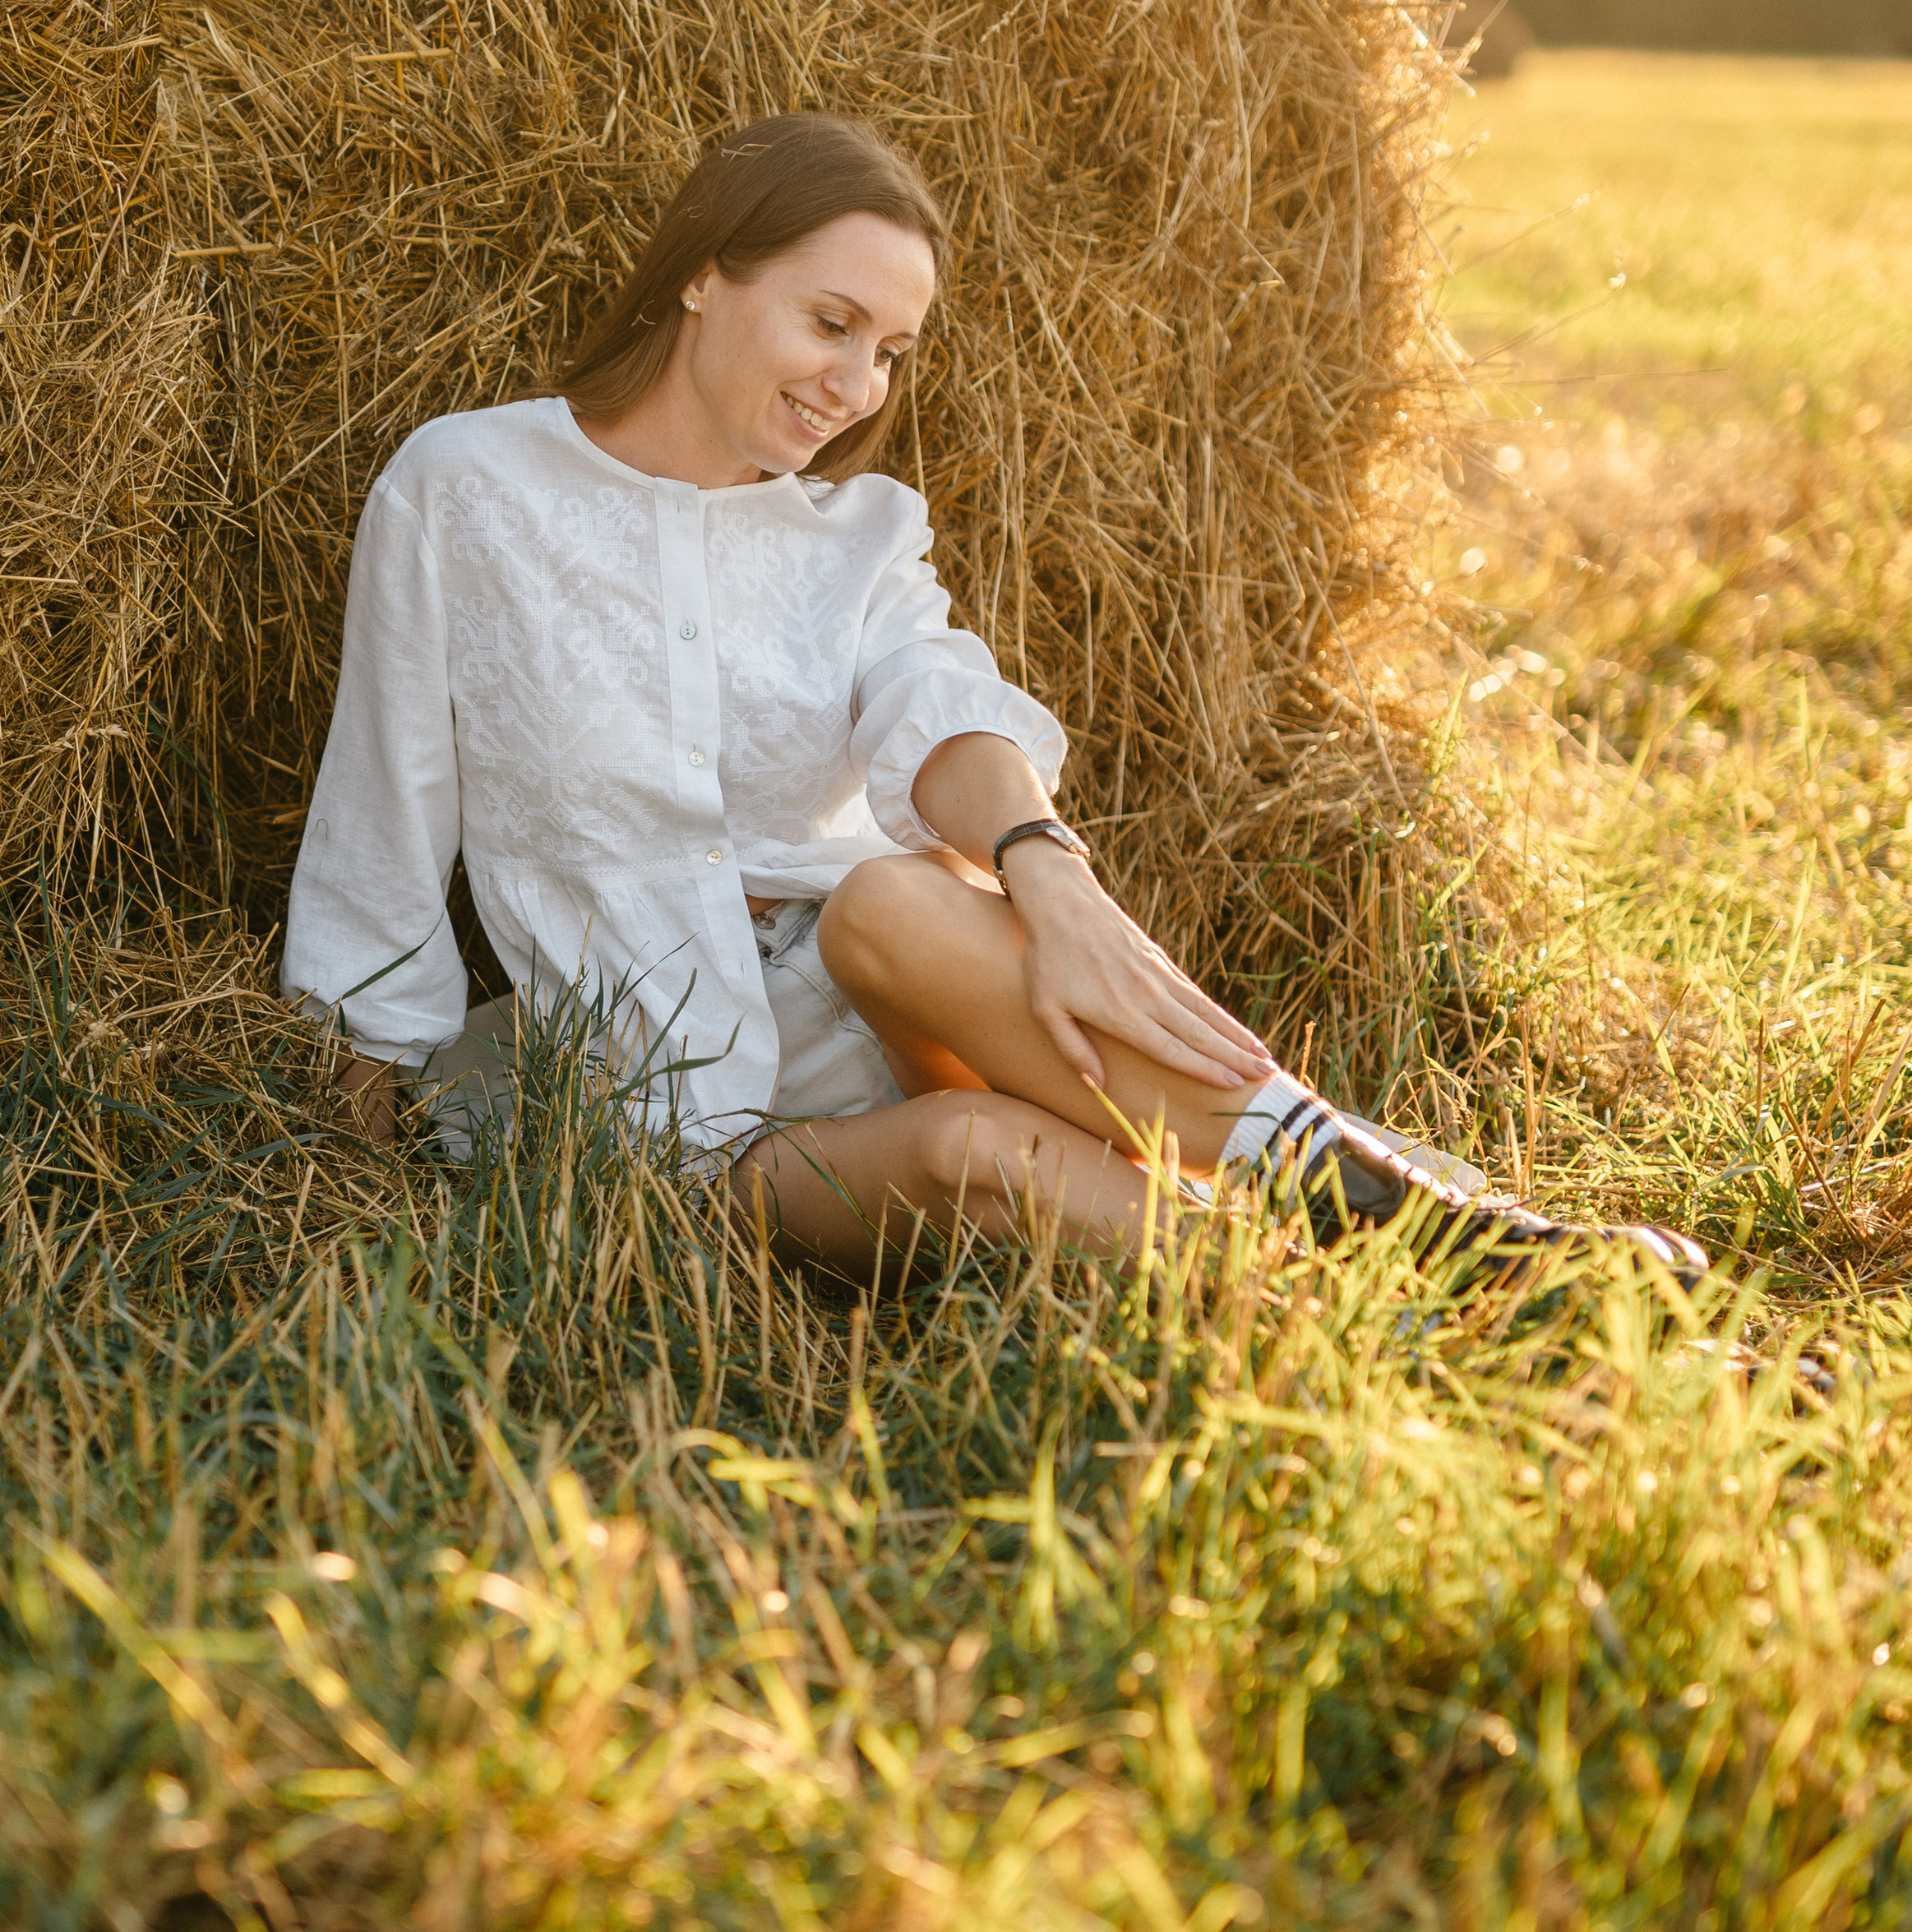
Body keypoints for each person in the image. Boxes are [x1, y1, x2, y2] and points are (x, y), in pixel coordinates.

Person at [282, 113, 1704, 1290]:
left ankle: (1459, 1245)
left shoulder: (855, 535)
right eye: (831, 322)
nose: (854, 384)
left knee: (888, 900)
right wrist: (343, 1128)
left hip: (900, 1003)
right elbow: (387, 807)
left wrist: (1055, 878)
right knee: (973, 1155)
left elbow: (938, 703)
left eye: (891, 350)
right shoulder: (467, 490)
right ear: (706, 274)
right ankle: (1440, 1284)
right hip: (686, 1123)